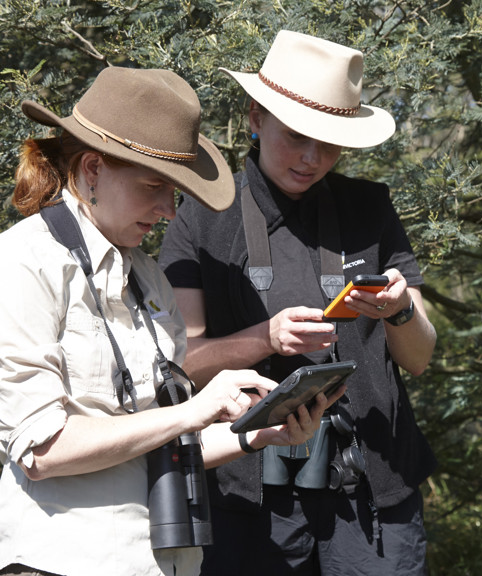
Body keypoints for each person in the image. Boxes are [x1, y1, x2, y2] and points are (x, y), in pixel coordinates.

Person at [0, 66, 337, 576]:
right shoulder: (24, 263)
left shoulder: (149, 278)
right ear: (93, 169)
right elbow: (42, 450)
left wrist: (259, 433)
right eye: (155, 186)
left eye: (175, 191)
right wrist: (195, 409)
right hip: (63, 562)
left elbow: (167, 443)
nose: (169, 211)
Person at [158, 30, 438, 575]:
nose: (312, 159)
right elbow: (180, 363)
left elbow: (420, 356)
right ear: (254, 118)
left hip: (371, 493)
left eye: (329, 143)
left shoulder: (370, 209)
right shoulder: (201, 217)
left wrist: (400, 312)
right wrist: (264, 339)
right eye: (296, 136)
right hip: (247, 503)